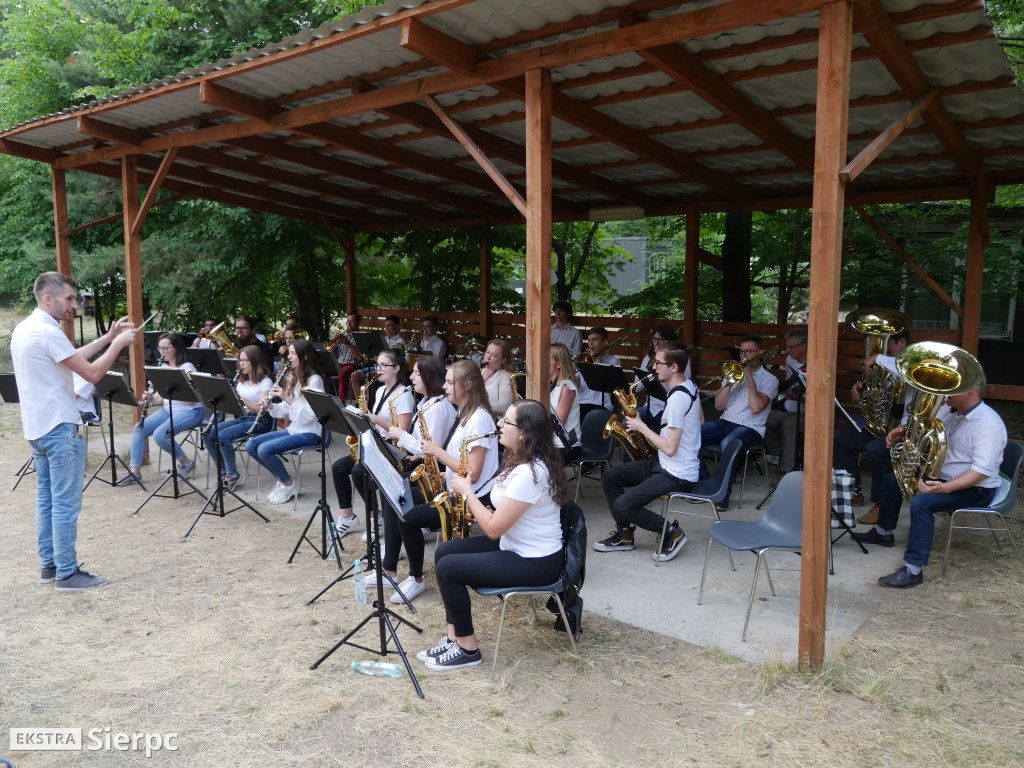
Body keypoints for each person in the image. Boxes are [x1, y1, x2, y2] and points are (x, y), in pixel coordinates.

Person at [417, 399, 567, 671]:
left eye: (506, 421)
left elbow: (495, 528)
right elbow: (505, 513)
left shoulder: (531, 473)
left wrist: (468, 493)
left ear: (524, 432)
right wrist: (481, 509)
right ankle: (454, 638)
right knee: (444, 551)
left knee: (449, 568)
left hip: (535, 562)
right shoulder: (521, 460)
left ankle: (467, 649)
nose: (498, 424)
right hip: (516, 545)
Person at [11, 272, 136, 590]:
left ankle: (50, 566)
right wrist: (119, 344)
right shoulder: (47, 332)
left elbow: (69, 359)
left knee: (47, 500)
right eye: (69, 298)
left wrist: (106, 339)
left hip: (38, 429)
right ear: (48, 298)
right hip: (60, 428)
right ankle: (67, 573)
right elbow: (92, 373)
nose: (75, 305)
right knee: (65, 503)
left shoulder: (25, 329)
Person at [855, 375, 1006, 588]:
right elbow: (924, 430)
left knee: (922, 504)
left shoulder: (988, 424)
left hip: (976, 488)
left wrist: (945, 488)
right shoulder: (949, 410)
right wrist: (903, 431)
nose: (945, 394)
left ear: (971, 390)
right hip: (945, 478)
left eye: (952, 389)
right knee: (891, 481)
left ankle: (913, 569)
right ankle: (883, 533)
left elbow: (980, 472)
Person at [392, 361, 499, 604]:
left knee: (408, 520)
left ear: (468, 386)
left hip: (474, 496)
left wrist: (437, 452)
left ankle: (416, 579)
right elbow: (462, 462)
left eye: (450, 382)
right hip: (458, 489)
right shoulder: (464, 413)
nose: (444, 386)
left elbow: (473, 473)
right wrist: (445, 475)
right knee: (401, 505)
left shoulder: (479, 419)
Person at [594, 342, 700, 563]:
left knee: (623, 505)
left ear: (674, 367)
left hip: (678, 474)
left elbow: (670, 448)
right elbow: (700, 420)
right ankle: (624, 535)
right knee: (610, 477)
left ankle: (672, 531)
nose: (653, 368)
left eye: (658, 363)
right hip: (665, 464)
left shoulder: (677, 399)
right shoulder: (689, 387)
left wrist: (641, 428)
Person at [367, 356, 457, 588]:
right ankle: (390, 566)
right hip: (426, 466)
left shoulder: (438, 408)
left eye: (417, 373)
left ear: (429, 377)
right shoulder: (427, 402)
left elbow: (431, 449)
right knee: (391, 491)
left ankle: (395, 568)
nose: (412, 377)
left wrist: (401, 436)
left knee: (395, 495)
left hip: (436, 471)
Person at [331, 347, 414, 535]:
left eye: (385, 365)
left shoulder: (404, 395)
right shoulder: (379, 391)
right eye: (378, 365)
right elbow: (374, 425)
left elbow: (403, 432)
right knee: (338, 467)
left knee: (359, 471)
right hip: (377, 444)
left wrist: (378, 421)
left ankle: (375, 516)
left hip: (393, 450)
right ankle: (347, 516)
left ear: (397, 368)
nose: (379, 369)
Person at [832, 329, 912, 523]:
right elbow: (878, 394)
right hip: (879, 428)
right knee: (837, 438)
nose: (883, 352)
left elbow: (904, 371)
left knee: (875, 449)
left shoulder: (912, 364)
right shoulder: (884, 366)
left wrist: (877, 357)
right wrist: (861, 388)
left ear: (901, 342)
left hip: (902, 432)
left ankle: (880, 504)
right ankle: (854, 490)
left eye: (888, 346)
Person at [700, 335, 779, 511]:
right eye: (742, 351)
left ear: (760, 353)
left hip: (750, 428)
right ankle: (704, 483)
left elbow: (756, 407)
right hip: (725, 422)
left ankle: (722, 496)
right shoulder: (733, 373)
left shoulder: (770, 379)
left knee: (728, 444)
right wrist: (729, 383)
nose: (743, 356)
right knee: (691, 436)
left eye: (748, 351)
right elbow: (719, 406)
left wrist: (750, 379)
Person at [245, 339, 326, 504]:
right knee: (251, 445)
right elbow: (285, 409)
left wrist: (286, 397)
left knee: (264, 450)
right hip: (295, 429)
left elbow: (312, 415)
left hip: (310, 433)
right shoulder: (295, 378)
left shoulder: (315, 381)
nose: (288, 357)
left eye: (293, 353)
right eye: (289, 352)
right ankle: (282, 480)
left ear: (304, 357)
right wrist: (270, 406)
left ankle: (288, 484)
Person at [120, 332, 206, 485]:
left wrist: (172, 388)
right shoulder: (163, 366)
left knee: (161, 435)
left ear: (177, 348)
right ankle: (135, 472)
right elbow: (163, 396)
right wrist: (152, 399)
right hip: (169, 410)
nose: (162, 352)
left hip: (190, 411)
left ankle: (186, 463)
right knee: (139, 428)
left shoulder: (187, 368)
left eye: (165, 348)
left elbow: (196, 395)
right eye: (160, 349)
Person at [202, 345, 273, 491]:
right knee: (208, 433)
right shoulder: (241, 381)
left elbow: (261, 410)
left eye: (246, 360)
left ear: (256, 361)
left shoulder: (266, 382)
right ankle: (222, 471)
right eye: (240, 360)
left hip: (259, 421)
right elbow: (235, 407)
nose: (242, 364)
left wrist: (240, 398)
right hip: (243, 418)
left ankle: (232, 474)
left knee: (221, 436)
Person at [764, 327, 808, 479]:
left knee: (789, 424)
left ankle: (786, 471)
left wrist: (799, 398)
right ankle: (781, 454)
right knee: (764, 418)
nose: (787, 350)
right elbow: (790, 385)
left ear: (803, 347)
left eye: (790, 347)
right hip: (790, 407)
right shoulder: (790, 360)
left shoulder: (817, 364)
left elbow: (820, 401)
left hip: (810, 413)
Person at [636, 323, 678, 429]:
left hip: (668, 409)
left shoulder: (679, 360)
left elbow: (680, 385)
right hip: (650, 407)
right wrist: (649, 366)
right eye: (654, 339)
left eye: (661, 340)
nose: (656, 343)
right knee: (626, 423)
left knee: (663, 433)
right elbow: (637, 388)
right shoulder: (648, 358)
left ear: (670, 341)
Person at [576, 326, 622, 418]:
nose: (591, 344)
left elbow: (610, 385)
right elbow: (575, 383)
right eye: (589, 340)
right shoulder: (584, 359)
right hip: (582, 402)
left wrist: (597, 359)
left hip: (602, 404)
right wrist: (574, 369)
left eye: (595, 340)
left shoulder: (614, 361)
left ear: (604, 342)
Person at [549, 342, 581, 465]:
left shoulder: (567, 387)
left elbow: (557, 423)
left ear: (559, 364)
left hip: (566, 445)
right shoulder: (550, 385)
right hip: (552, 443)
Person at [333, 311, 364, 401]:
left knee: (342, 373)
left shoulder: (361, 337)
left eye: (352, 321)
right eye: (348, 321)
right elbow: (331, 350)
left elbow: (360, 358)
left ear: (358, 323)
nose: (349, 324)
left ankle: (341, 401)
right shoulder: (344, 336)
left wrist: (348, 344)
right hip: (340, 364)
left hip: (354, 364)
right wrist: (334, 342)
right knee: (321, 370)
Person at [480, 339, 514, 419]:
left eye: (494, 355)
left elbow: (505, 405)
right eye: (487, 352)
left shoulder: (506, 377)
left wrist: (478, 406)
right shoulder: (478, 372)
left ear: (503, 360)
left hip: (494, 424)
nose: (488, 358)